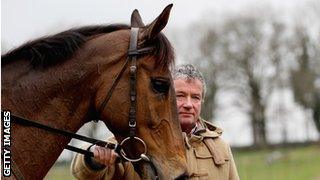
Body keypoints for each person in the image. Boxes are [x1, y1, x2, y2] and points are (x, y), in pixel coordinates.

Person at [71, 64, 240, 180]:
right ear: (166, 98)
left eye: (195, 97)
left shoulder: (220, 147)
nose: (188, 104)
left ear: (201, 102)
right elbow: (83, 173)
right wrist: (94, 158)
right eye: (180, 95)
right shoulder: (140, 138)